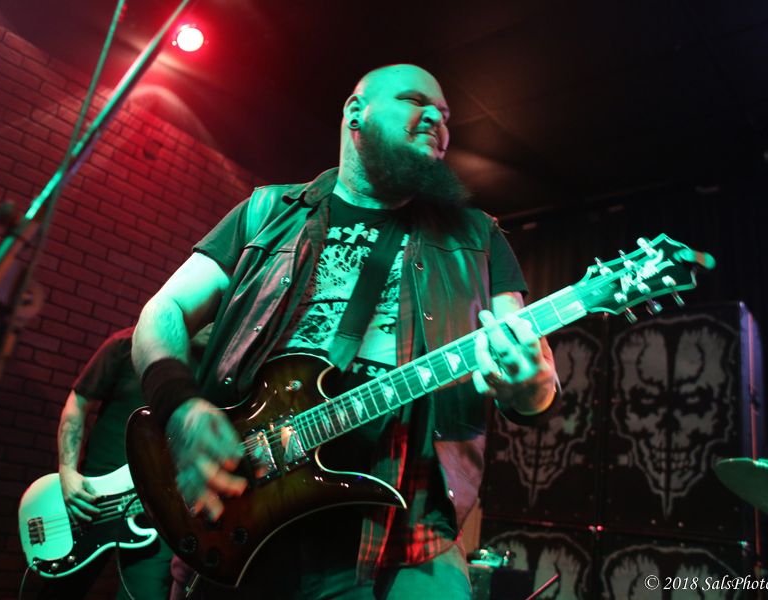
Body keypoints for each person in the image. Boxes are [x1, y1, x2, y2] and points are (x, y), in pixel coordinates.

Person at [132, 64, 559, 599]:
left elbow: (534, 373)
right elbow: (164, 310)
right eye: (416, 101)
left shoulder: (477, 238)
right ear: (356, 112)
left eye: (446, 115)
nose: (438, 120)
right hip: (237, 522)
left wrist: (528, 384)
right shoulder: (268, 211)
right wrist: (180, 408)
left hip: (404, 541)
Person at [38, 326, 173, 599]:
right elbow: (78, 404)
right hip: (93, 502)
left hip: (162, 512)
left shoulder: (217, 364)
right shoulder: (128, 343)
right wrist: (67, 471)